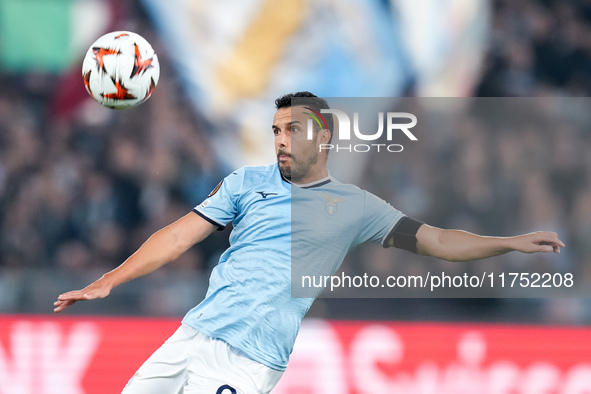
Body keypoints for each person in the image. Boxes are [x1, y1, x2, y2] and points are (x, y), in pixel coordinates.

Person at [53, 91, 564, 393]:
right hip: (193, 334)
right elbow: (179, 236)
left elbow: (440, 242)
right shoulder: (245, 183)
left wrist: (509, 242)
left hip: (247, 358)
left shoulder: (356, 206)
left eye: (291, 130)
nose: (279, 140)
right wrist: (109, 280)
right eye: (275, 130)